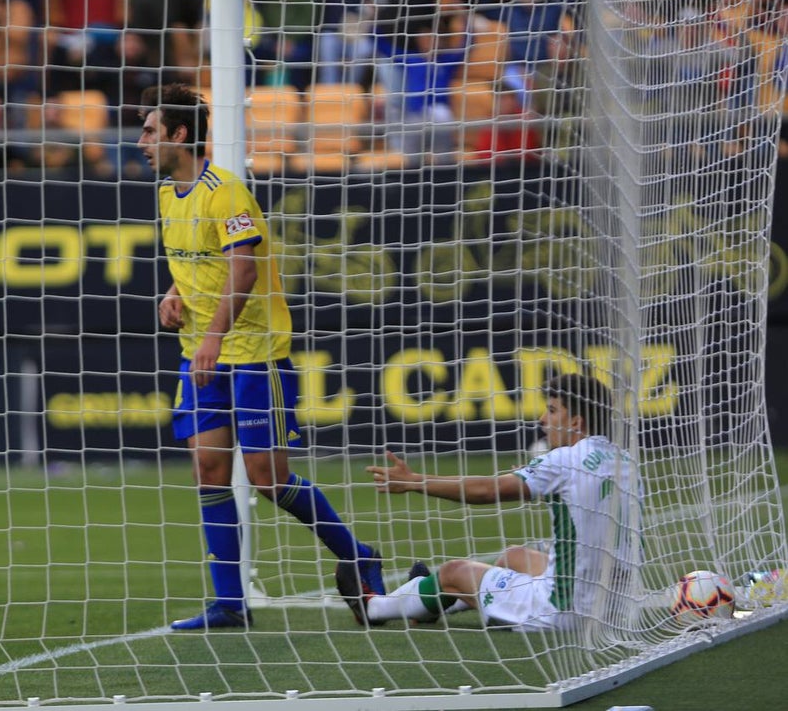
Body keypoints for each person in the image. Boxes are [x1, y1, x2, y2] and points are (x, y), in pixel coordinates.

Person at [138, 82, 385, 630]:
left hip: (251, 355)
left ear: (180, 135)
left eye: (151, 131)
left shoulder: (226, 192)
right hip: (202, 356)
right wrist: (175, 293)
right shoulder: (164, 195)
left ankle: (356, 554)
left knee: (268, 478)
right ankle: (230, 602)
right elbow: (199, 262)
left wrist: (213, 338)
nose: (141, 142)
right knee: (208, 469)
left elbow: (244, 269)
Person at [337, 373, 642, 632]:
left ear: (576, 421)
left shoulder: (564, 460)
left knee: (453, 571)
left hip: (564, 610)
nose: (542, 419)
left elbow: (486, 490)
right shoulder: (625, 461)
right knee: (514, 557)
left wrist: (414, 481)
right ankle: (429, 604)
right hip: (615, 608)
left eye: (551, 410)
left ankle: (374, 607)